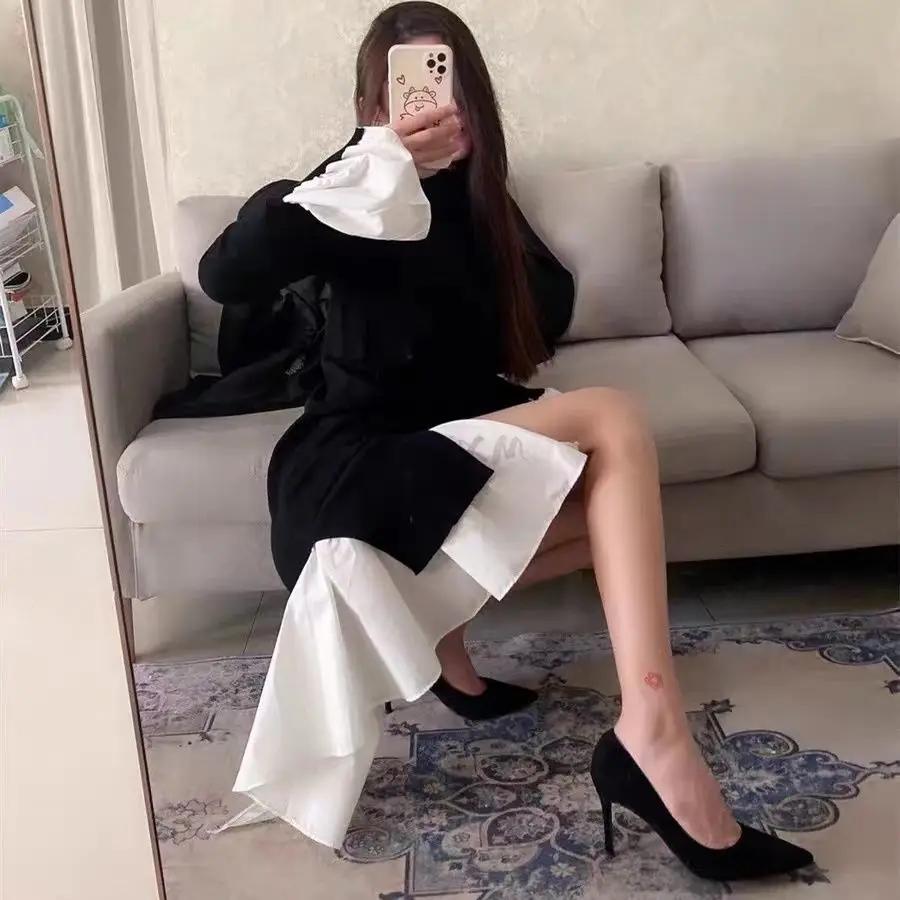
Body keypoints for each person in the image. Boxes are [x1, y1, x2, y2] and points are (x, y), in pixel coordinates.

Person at [197, 0, 814, 881]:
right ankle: (653, 734)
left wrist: (472, 204)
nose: (429, 104)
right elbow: (225, 273)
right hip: (350, 467)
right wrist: (370, 162)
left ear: (473, 100)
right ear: (374, 103)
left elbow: (538, 316)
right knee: (614, 417)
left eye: (445, 83)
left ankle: (451, 657)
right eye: (406, 88)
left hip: (434, 452)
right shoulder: (347, 194)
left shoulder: (484, 203)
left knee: (616, 511)